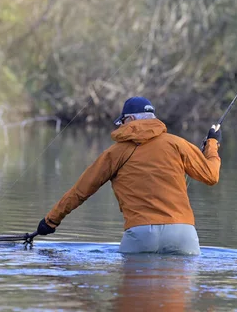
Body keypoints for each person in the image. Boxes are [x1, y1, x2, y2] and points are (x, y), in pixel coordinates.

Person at [36, 96, 222, 255]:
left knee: (133, 296)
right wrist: (212, 144)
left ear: (131, 119)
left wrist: (50, 221)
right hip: (182, 235)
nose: (121, 125)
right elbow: (211, 175)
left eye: (122, 121)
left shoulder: (115, 153)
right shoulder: (178, 144)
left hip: (140, 235)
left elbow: (80, 192)